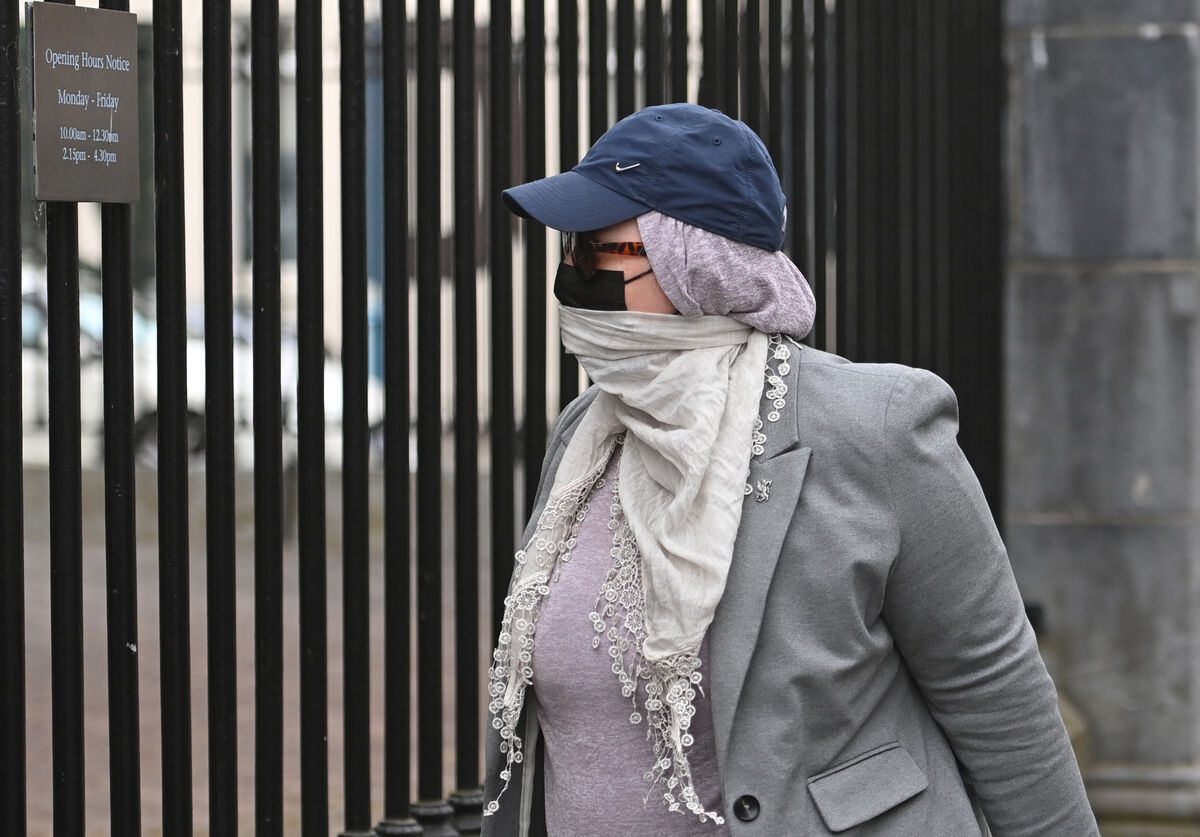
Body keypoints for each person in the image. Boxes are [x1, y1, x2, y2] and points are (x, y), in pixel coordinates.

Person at [482, 103, 1097, 836]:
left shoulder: (874, 425)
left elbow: (994, 689)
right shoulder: (586, 432)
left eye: (598, 254)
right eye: (569, 252)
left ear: (696, 263)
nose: (570, 277)